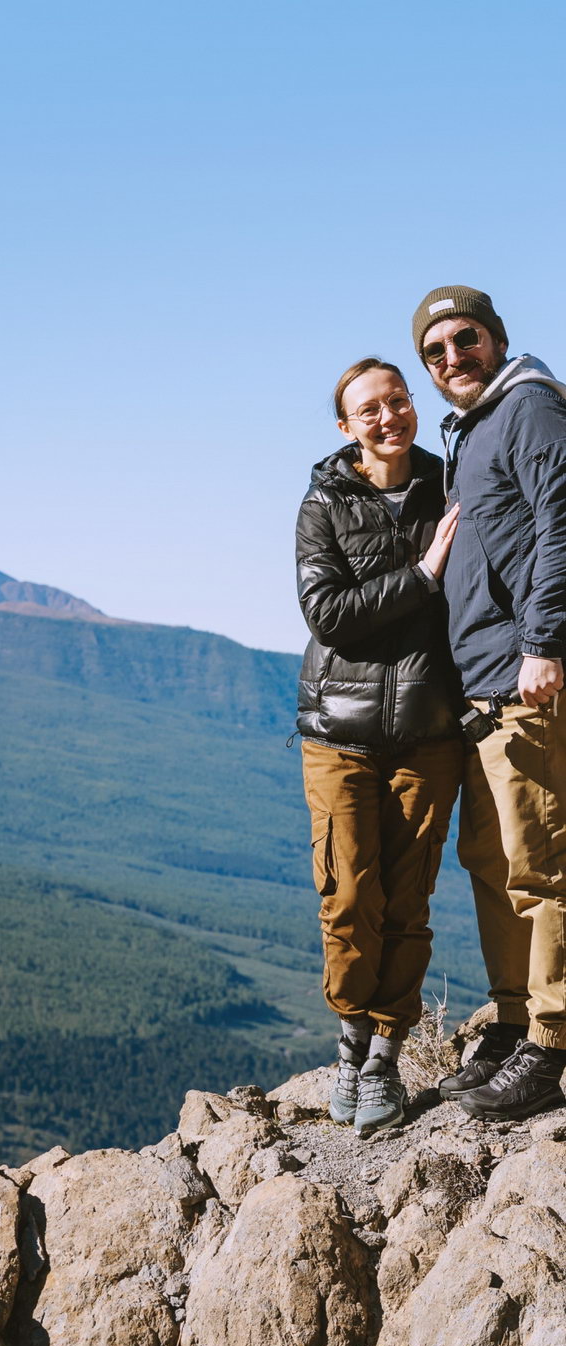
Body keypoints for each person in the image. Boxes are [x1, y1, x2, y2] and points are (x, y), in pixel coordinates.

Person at [295, 357, 463, 1137]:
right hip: (341, 735)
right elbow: (329, 613)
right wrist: (424, 574)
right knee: (350, 894)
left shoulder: (450, 484)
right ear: (345, 427)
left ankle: (385, 1058)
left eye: (398, 399)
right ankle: (350, 1039)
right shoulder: (324, 503)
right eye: (370, 408)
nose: (389, 415)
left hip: (429, 734)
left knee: (407, 898)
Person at [412, 286, 566, 1120]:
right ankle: (512, 1021)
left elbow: (562, 522)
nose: (450, 360)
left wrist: (545, 642)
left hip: (525, 678)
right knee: (497, 867)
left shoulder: (531, 407)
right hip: (480, 689)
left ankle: (552, 1042)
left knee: (542, 867)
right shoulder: (472, 430)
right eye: (433, 353)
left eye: (464, 341)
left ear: (496, 338)